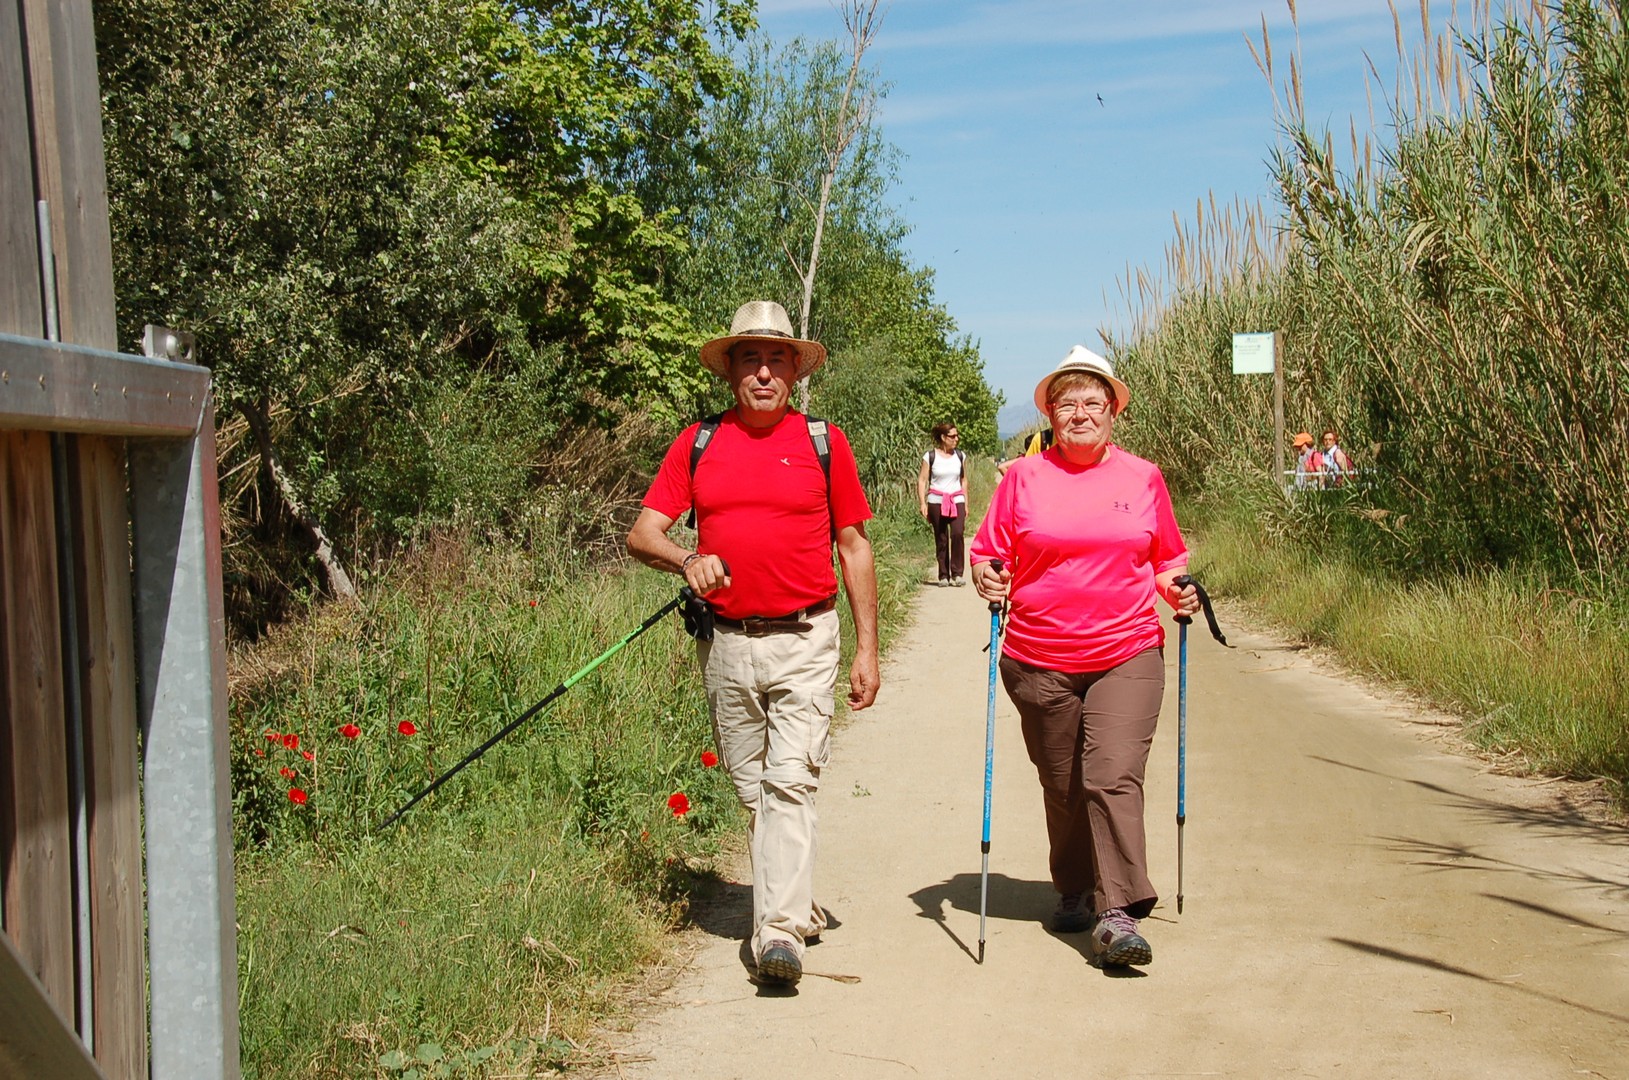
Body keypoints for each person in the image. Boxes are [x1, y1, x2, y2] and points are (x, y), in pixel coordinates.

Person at [626, 299, 881, 987]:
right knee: (753, 790)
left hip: (807, 638)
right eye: (749, 359)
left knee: (788, 782)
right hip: (726, 645)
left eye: (776, 359)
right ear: (730, 371)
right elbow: (643, 533)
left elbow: (854, 547)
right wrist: (687, 559)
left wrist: (867, 649)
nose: (763, 373)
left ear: (794, 370)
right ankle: (792, 902)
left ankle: (778, 936)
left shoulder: (824, 442)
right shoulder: (698, 442)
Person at [969, 344, 1199, 969]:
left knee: (1111, 775)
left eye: (1093, 402)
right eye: (1067, 403)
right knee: (1063, 783)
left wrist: (1177, 590)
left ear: (1112, 412)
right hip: (1037, 655)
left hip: (1127, 649)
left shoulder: (1142, 477)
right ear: (1049, 414)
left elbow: (1166, 558)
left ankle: (1117, 911)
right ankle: (1073, 887)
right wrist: (987, 576)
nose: (1080, 414)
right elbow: (988, 553)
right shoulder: (1022, 478)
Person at [917, 422, 968, 586]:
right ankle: (943, 575)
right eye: (952, 436)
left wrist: (966, 503)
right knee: (941, 537)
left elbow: (963, 480)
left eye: (957, 436)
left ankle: (957, 573)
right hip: (936, 501)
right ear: (943, 437)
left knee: (957, 534)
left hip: (956, 499)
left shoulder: (960, 456)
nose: (956, 439)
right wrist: (922, 503)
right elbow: (922, 480)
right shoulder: (930, 456)